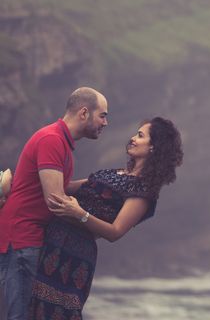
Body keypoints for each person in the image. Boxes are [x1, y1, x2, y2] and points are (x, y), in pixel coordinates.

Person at [28, 117, 183, 320]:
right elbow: (65, 187)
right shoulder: (113, 173)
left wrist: (80, 214)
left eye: (140, 135)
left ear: (154, 147)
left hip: (75, 253)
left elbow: (115, 232)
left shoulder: (143, 191)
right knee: (33, 307)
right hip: (51, 240)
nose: (133, 138)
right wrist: (25, 179)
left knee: (60, 312)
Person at [0, 87, 109, 320]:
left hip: (28, 238)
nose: (105, 122)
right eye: (102, 115)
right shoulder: (52, 140)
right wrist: (92, 224)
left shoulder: (60, 141)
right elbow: (56, 201)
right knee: (20, 315)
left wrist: (99, 183)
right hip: (22, 238)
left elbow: (61, 186)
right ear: (83, 113)